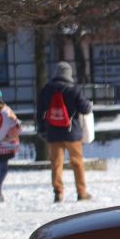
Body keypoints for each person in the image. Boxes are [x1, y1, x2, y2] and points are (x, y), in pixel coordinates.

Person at [37, 61, 93, 202]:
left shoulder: (46, 90)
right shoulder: (74, 90)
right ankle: (81, 192)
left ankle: (58, 192)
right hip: (72, 133)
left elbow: (40, 112)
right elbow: (85, 109)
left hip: (53, 133)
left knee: (56, 163)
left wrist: (42, 129)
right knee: (77, 163)